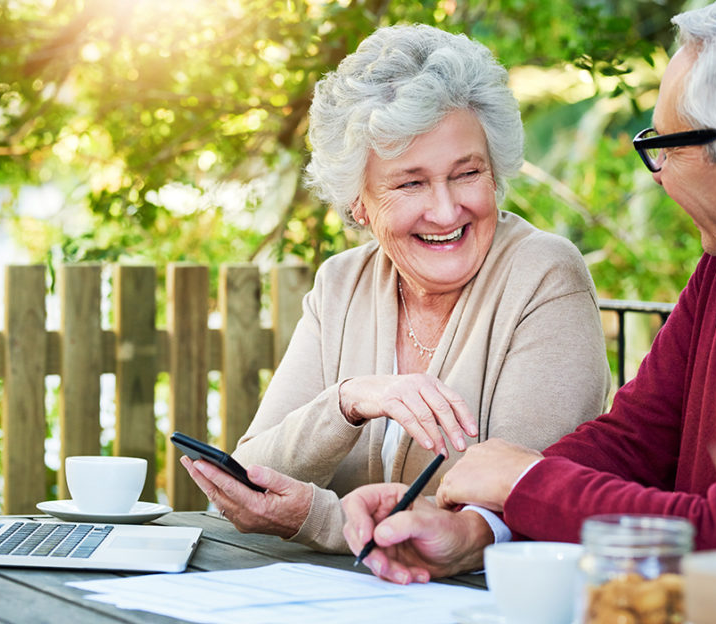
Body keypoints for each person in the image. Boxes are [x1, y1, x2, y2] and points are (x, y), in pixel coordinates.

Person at [340, 1, 716, 620]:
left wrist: (523, 482)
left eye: (663, 146)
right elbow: (634, 440)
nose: (657, 173)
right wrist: (479, 526)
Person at [179, 24, 610, 555]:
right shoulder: (342, 283)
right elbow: (252, 479)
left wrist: (320, 517)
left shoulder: (543, 276)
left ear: (494, 172)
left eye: (466, 173)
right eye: (411, 183)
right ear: (358, 202)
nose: (447, 210)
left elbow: (508, 512)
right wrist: (351, 400)